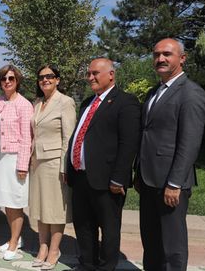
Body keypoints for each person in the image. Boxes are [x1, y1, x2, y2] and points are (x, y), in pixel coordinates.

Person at [136, 38, 205, 271]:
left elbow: (190, 143)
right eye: (156, 54)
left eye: (167, 54)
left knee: (172, 247)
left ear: (182, 58)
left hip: (170, 183)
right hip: (148, 181)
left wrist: (175, 183)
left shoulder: (191, 93)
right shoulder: (153, 92)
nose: (160, 59)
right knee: (152, 242)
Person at [65, 58, 141, 271]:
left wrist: (119, 178)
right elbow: (79, 136)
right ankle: (87, 264)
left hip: (108, 180)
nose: (90, 77)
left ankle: (107, 267)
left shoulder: (126, 102)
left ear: (111, 75)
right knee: (83, 225)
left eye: (95, 73)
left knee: (109, 228)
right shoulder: (88, 102)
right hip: (81, 177)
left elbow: (129, 144)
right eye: (89, 73)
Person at [29, 65, 76, 269]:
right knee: (40, 206)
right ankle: (42, 247)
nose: (45, 80)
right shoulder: (38, 102)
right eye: (41, 77)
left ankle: (55, 250)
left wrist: (65, 166)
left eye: (49, 76)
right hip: (37, 162)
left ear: (57, 79)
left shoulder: (65, 102)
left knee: (55, 208)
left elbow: (69, 137)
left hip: (55, 162)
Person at [0, 65, 33, 261]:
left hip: (15, 159)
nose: (7, 82)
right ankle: (15, 237)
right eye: (3, 79)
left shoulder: (24, 105)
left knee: (16, 202)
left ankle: (15, 243)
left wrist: (23, 164)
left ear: (17, 81)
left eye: (11, 78)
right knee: (7, 202)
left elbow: (27, 138)